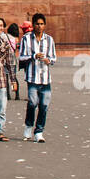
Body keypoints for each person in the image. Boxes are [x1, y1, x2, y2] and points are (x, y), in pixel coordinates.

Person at [19, 12, 56, 142]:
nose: (39, 26)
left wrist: (48, 60)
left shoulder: (49, 39)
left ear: (44, 25)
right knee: (33, 103)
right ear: (33, 25)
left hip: (45, 78)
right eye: (37, 24)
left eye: (41, 24)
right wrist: (34, 56)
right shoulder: (26, 39)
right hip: (32, 77)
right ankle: (29, 126)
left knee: (44, 105)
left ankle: (39, 131)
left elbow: (53, 58)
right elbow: (21, 57)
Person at [6, 21, 22, 100]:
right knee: (13, 78)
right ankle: (16, 94)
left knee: (6, 78)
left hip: (5, 59)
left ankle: (8, 95)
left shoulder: (5, 36)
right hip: (13, 60)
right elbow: (17, 48)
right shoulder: (16, 39)